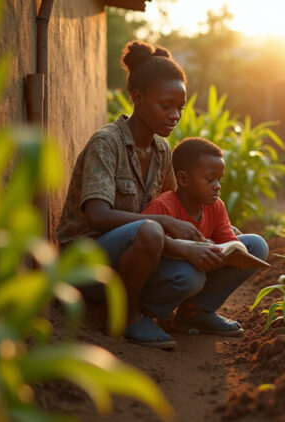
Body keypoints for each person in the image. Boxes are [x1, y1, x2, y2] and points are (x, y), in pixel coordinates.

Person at [56, 41, 210, 349]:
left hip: (135, 255)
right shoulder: (106, 143)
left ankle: (171, 313)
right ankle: (127, 317)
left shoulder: (162, 151)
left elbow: (173, 209)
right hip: (85, 263)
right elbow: (97, 216)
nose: (175, 115)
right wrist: (165, 225)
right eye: (166, 106)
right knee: (153, 229)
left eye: (180, 107)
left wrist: (214, 229)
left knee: (191, 278)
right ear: (137, 99)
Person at [141, 137, 269, 345]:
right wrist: (188, 252)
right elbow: (146, 249)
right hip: (166, 276)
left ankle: (195, 311)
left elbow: (229, 241)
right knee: (192, 278)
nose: (217, 186)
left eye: (220, 179)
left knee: (256, 246)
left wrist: (230, 253)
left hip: (196, 270)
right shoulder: (163, 207)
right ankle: (147, 313)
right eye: (210, 180)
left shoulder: (215, 206)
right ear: (183, 179)